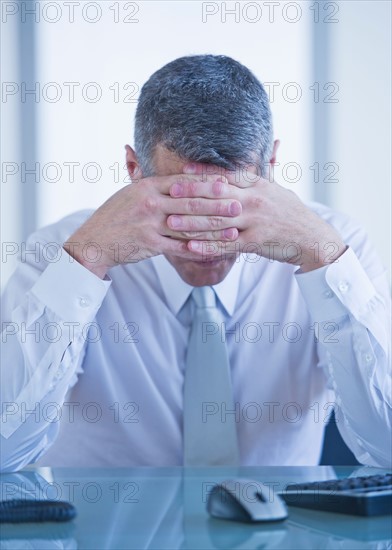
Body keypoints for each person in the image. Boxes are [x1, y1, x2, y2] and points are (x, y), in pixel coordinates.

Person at [1, 55, 390, 472]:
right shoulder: (60, 250)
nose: (205, 243)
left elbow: (386, 448)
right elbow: (6, 455)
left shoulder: (334, 248)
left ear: (271, 169)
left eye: (229, 208)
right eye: (180, 204)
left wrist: (327, 259)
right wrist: (84, 263)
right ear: (134, 170)